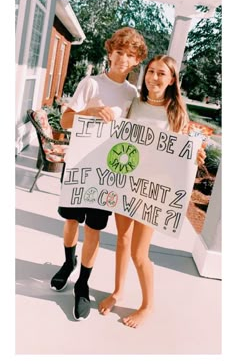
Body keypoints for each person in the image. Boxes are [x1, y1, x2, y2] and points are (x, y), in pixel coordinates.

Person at [98, 54, 206, 328]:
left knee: (139, 253)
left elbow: (184, 152)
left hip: (152, 191)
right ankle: (118, 291)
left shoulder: (176, 112)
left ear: (171, 81)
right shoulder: (135, 103)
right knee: (122, 239)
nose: (154, 77)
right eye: (151, 72)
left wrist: (197, 154)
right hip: (126, 182)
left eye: (161, 74)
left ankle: (147, 306)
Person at [50, 27, 148, 321]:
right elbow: (65, 120)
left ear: (135, 62)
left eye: (130, 55)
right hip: (79, 164)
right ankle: (68, 264)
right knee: (71, 220)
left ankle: (82, 283)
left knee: (94, 228)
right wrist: (90, 113)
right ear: (110, 53)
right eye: (119, 52)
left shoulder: (133, 96)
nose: (123, 59)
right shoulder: (90, 84)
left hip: (108, 173)